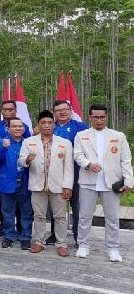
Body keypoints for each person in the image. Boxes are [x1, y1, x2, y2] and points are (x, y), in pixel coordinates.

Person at [74, 104, 133, 262]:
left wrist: (128, 181)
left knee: (112, 218)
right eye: (95, 117)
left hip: (111, 183)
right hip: (88, 182)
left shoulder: (118, 136)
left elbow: (126, 160)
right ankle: (83, 245)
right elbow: (78, 155)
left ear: (107, 117)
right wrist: (88, 164)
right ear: (90, 117)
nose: (99, 120)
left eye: (102, 117)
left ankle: (113, 248)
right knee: (85, 216)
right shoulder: (81, 135)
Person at [19, 110, 73, 257]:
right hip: (37, 185)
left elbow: (68, 168)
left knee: (60, 217)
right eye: (43, 123)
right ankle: (38, 242)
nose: (47, 125)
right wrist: (27, 160)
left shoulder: (65, 143)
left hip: (58, 186)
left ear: (54, 125)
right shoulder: (29, 141)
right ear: (38, 125)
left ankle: (61, 244)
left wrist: (68, 186)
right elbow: (21, 160)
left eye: (50, 123)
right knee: (39, 216)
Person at [0, 99, 32, 237]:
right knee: (7, 212)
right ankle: (9, 235)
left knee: (25, 212)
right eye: (14, 126)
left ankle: (25, 235)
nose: (18, 128)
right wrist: (2, 147)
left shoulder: (28, 142)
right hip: (5, 179)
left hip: (25, 181)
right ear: (8, 129)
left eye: (20, 126)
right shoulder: (0, 138)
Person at [51, 100, 88, 245]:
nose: (62, 112)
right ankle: (55, 235)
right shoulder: (49, 127)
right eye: (58, 110)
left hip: (77, 174)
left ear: (70, 110)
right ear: (54, 112)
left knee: (78, 207)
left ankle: (79, 236)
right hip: (55, 174)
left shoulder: (80, 127)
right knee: (56, 207)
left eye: (65, 109)